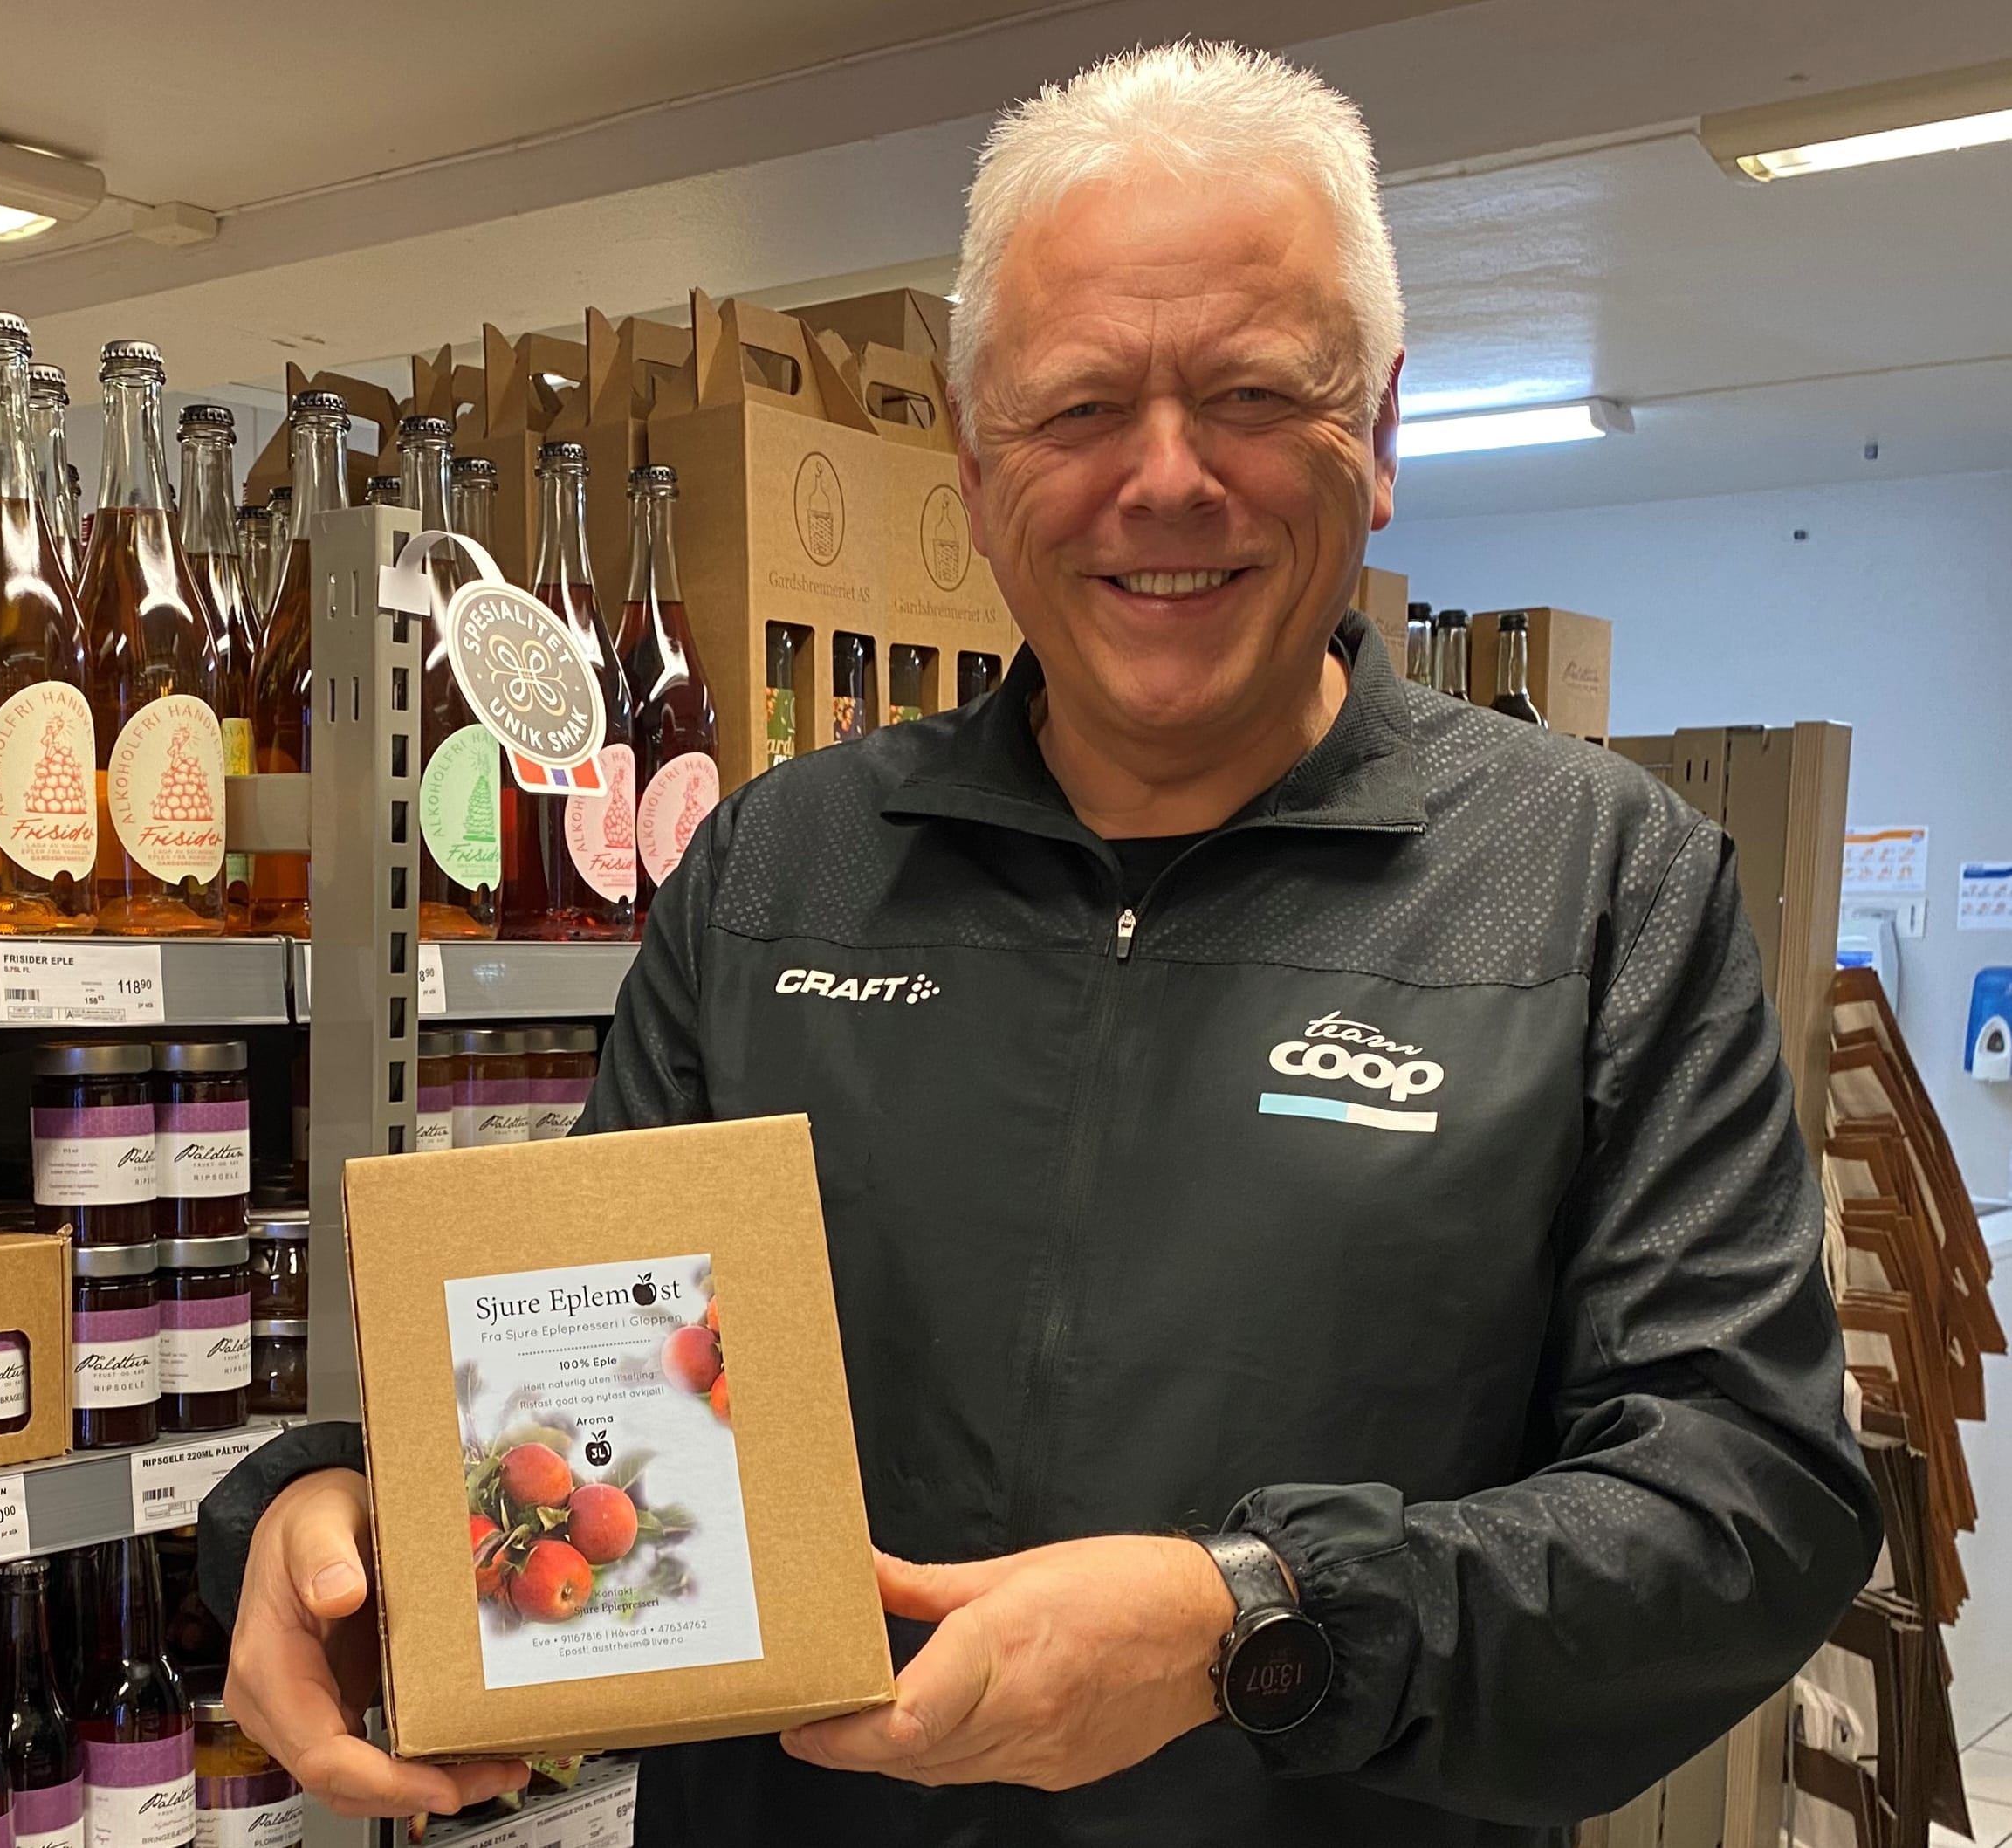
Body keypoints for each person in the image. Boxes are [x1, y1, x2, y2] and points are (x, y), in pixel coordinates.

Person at [199, 39, 1882, 1845]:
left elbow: (1745, 1499)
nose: (1166, 481)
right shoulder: (783, 867)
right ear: (974, 455)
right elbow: (587, 1373)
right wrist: (335, 1504)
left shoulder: (1596, 884)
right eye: (1078, 408)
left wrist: (1257, 1621)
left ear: (1381, 431)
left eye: (1252, 393)